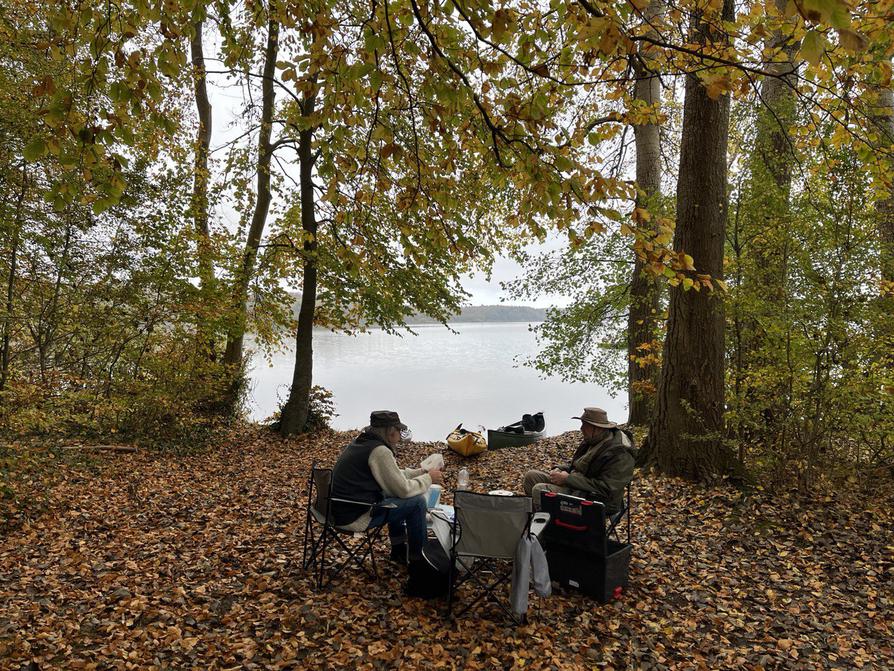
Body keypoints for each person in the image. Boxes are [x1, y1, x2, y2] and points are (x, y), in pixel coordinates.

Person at [331, 410, 443, 564]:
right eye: (398, 430)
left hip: (339, 509)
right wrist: (428, 478)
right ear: (391, 431)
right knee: (416, 503)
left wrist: (420, 472)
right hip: (355, 515)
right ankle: (420, 560)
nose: (399, 435)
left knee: (393, 496)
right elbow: (403, 490)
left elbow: (391, 477)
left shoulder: (362, 443)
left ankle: (398, 550)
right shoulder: (380, 451)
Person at [523, 407, 636, 514]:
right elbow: (578, 465)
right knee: (531, 477)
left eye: (585, 425)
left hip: (596, 499)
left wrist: (568, 479)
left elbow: (607, 489)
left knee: (539, 490)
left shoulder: (620, 453)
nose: (581, 428)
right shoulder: (593, 440)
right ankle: (544, 518)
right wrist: (560, 469)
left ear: (596, 428)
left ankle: (549, 527)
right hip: (577, 486)